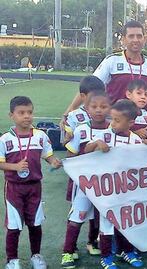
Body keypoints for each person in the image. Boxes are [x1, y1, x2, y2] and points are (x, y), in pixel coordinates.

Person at [0, 96, 62, 269]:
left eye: (29, 112)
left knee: (35, 223)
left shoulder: (40, 136)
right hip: (14, 188)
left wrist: (53, 161)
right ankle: (12, 260)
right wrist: (15, 166)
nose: (27, 116)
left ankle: (36, 255)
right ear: (11, 115)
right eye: (21, 113)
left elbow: (47, 154)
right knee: (14, 226)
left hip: (34, 187)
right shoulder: (5, 139)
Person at [85, 100, 144, 269]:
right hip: (107, 190)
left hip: (127, 190)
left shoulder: (135, 140)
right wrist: (96, 144)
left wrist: (146, 148)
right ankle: (106, 256)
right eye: (112, 118)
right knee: (107, 224)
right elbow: (85, 152)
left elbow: (142, 163)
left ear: (131, 123)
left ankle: (127, 251)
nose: (112, 123)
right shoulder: (104, 135)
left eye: (117, 120)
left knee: (126, 222)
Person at [62, 20, 147, 122]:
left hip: (140, 122)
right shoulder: (112, 60)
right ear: (124, 39)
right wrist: (69, 112)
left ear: (144, 39)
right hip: (113, 121)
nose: (135, 40)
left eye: (139, 36)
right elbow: (89, 87)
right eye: (131, 36)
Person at [61, 91, 111, 269]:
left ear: (110, 109)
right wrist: (93, 146)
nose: (99, 110)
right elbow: (71, 155)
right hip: (84, 183)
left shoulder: (113, 129)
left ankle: (92, 243)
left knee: (99, 217)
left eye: (103, 107)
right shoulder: (82, 130)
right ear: (87, 109)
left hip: (105, 184)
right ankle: (68, 251)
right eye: (94, 107)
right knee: (78, 216)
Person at [63, 75, 105, 143]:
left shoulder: (105, 113)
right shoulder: (73, 115)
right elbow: (66, 141)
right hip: (81, 152)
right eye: (93, 96)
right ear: (83, 96)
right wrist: (69, 138)